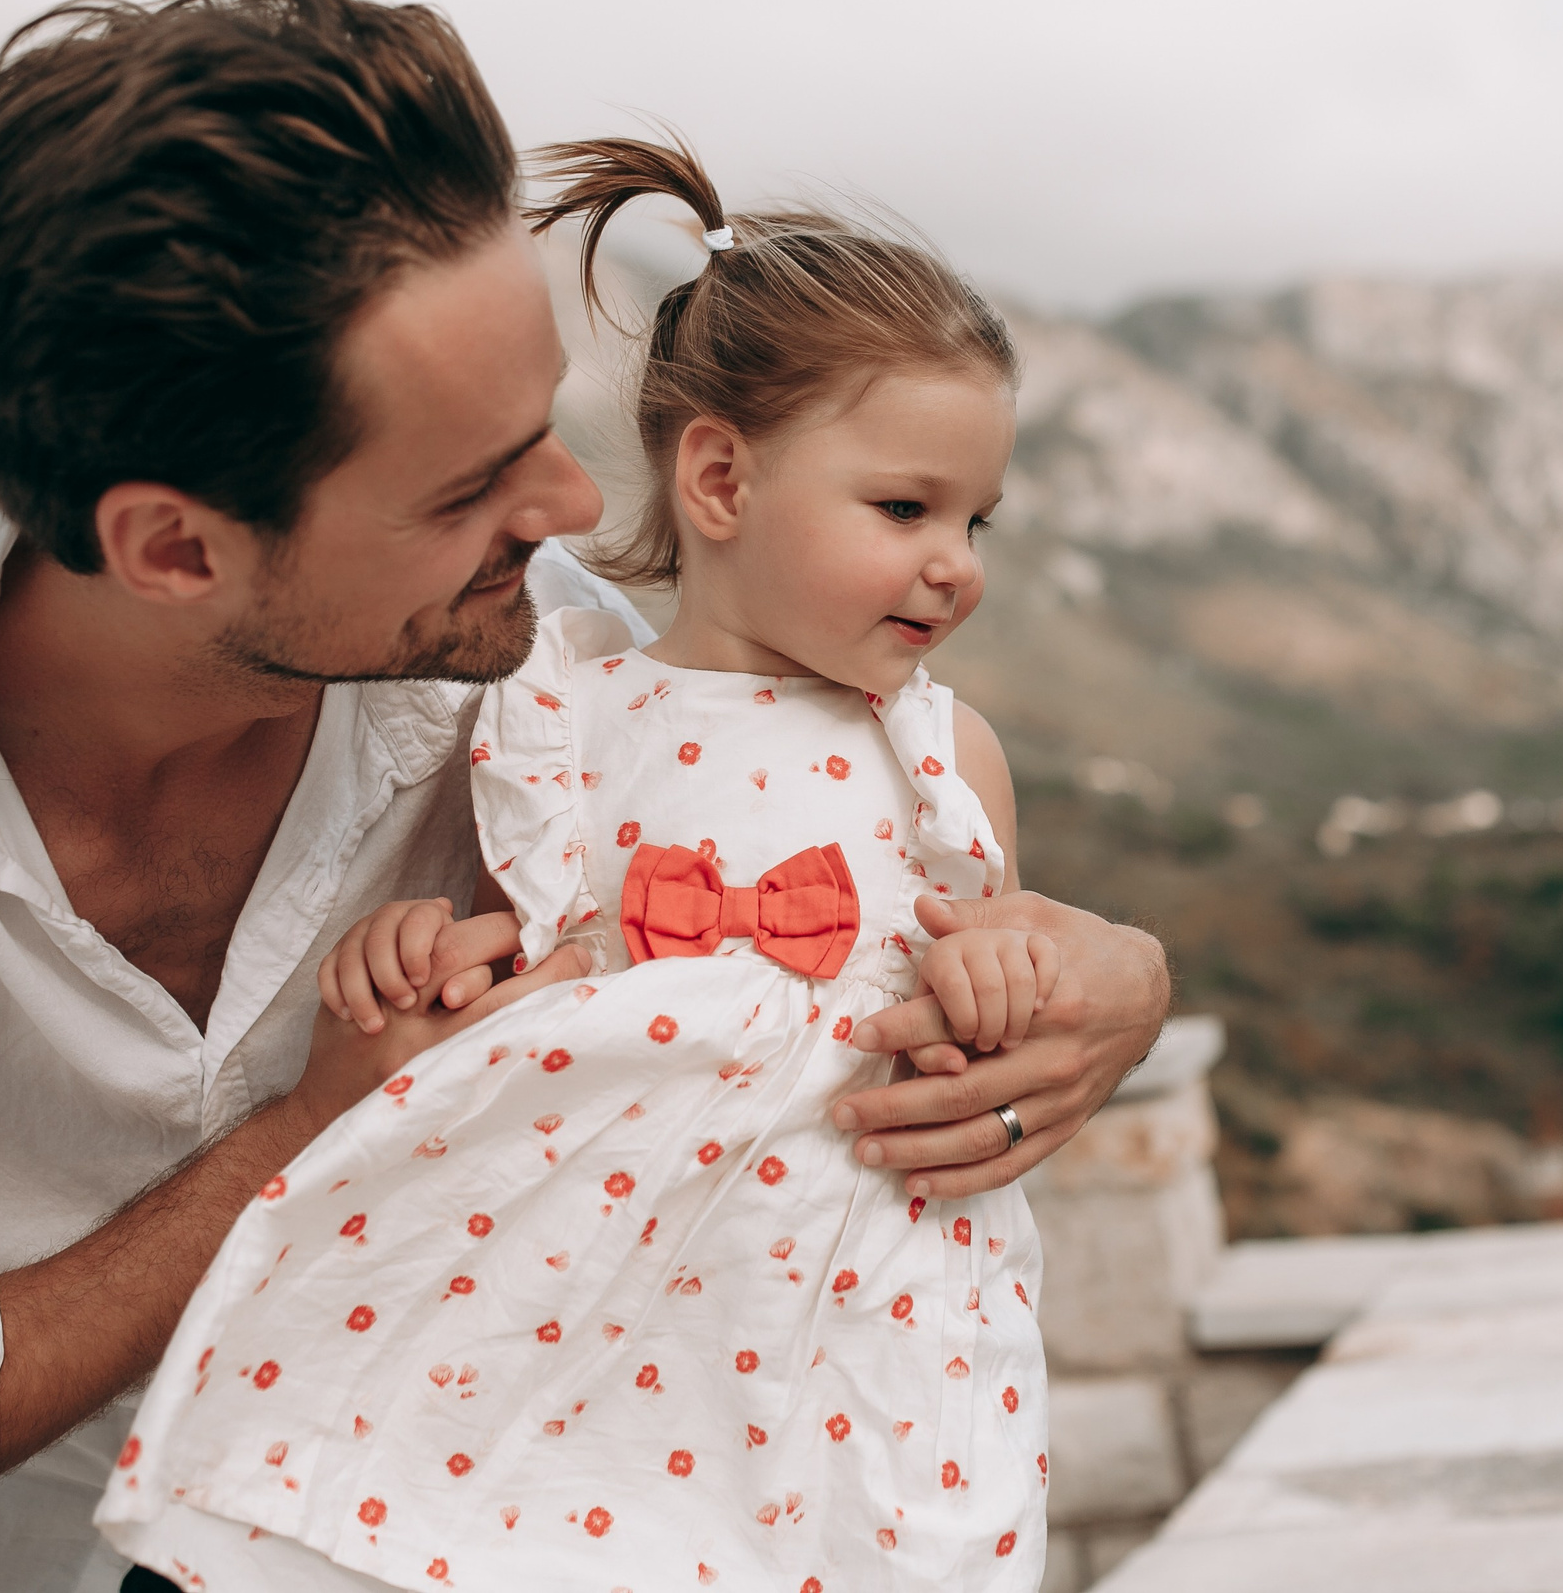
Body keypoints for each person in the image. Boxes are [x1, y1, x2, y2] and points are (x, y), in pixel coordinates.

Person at [0, 0, 1169, 1593]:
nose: (571, 503)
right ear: (176, 548)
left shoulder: (560, 674)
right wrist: (314, 1132)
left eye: (542, 422)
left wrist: (1115, 981)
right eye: (472, 483)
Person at [100, 137, 1057, 1593]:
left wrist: (1003, 977)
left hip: (845, 1262)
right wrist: (416, 956)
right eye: (906, 510)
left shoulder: (941, 753)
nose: (957, 564)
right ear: (722, 478)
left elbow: (987, 1030)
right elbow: (515, 967)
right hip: (586, 1268)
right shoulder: (564, 714)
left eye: (974, 521)